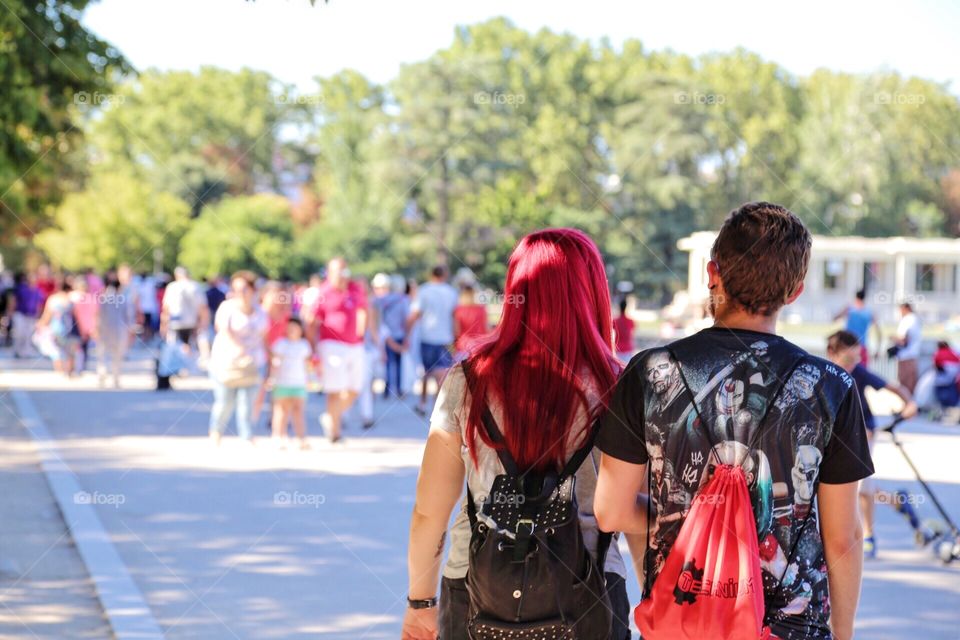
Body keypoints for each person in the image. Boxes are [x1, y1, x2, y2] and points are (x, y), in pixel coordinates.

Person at [594, 203, 874, 640]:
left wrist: (683, 519)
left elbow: (610, 512)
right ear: (795, 290)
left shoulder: (651, 372)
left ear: (712, 273)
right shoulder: (830, 386)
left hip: (683, 617)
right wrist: (843, 631)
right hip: (790, 627)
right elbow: (842, 538)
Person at [402, 229, 631, 640]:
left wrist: (420, 604)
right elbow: (636, 516)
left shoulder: (469, 380)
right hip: (590, 594)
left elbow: (429, 510)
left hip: (475, 592)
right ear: (593, 292)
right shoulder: (619, 385)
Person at [826, 330, 917, 559]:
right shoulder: (824, 373)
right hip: (836, 435)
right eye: (848, 359)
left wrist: (909, 403)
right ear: (832, 353)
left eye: (856, 359)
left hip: (863, 432)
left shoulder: (859, 373)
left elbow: (893, 387)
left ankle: (868, 535)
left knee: (860, 486)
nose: (852, 364)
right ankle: (898, 502)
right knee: (852, 486)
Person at [308, 257, 368, 443]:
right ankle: (335, 432)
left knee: (355, 388)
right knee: (335, 390)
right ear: (329, 272)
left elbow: (363, 310)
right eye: (337, 271)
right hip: (331, 344)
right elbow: (311, 321)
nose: (342, 275)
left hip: (354, 344)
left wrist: (361, 333)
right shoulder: (323, 292)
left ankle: (331, 417)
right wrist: (313, 348)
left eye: (344, 270)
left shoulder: (355, 288)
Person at [208, 271, 268, 446]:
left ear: (252, 289)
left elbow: (263, 336)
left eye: (244, 289)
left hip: (253, 363)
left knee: (247, 402)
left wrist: (269, 358)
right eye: (236, 289)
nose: (240, 293)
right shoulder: (227, 308)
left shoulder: (260, 311)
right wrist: (241, 349)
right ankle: (216, 431)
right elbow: (224, 330)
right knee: (225, 402)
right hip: (227, 362)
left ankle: (246, 435)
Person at [406, 265, 459, 416]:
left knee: (427, 372)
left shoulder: (424, 290)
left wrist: (407, 334)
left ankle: (422, 403)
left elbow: (415, 314)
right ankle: (437, 405)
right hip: (446, 338)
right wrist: (457, 336)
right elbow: (454, 316)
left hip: (427, 337)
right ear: (445, 275)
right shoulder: (451, 292)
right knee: (442, 374)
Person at [267, 317, 312, 449]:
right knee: (281, 411)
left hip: (299, 383)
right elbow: (274, 362)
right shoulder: (281, 344)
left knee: (298, 411)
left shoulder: (304, 345)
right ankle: (278, 436)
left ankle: (301, 438)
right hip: (282, 382)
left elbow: (308, 364)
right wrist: (271, 377)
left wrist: (311, 379)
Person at [371, 272, 410, 399]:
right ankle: (398, 390)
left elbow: (379, 318)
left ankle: (387, 390)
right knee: (398, 364)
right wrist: (407, 336)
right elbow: (406, 319)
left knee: (388, 363)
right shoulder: (403, 300)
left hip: (386, 335)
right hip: (399, 334)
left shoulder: (382, 300)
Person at [96, 272, 136, 388]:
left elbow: (99, 315)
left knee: (102, 353)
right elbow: (128, 316)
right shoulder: (123, 299)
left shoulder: (103, 298)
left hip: (105, 329)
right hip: (119, 330)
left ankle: (102, 371)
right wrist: (131, 328)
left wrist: (97, 328)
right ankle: (116, 378)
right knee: (117, 355)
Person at [37, 279, 81, 377]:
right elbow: (78, 315)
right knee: (70, 351)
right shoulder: (73, 299)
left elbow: (47, 315)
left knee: (57, 351)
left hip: (56, 328)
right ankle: (69, 370)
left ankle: (60, 371)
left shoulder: (53, 299)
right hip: (71, 328)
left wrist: (41, 324)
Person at [160, 266, 209, 353]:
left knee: (175, 348)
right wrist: (203, 323)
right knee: (191, 348)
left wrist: (163, 324)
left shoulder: (172, 287)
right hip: (192, 321)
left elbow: (166, 308)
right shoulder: (196, 286)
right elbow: (202, 307)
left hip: (176, 322)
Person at [833, 289, 881, 365]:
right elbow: (878, 332)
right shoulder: (869, 312)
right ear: (864, 298)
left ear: (856, 297)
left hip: (848, 347)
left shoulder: (849, 309)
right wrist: (878, 349)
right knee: (862, 374)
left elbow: (835, 318)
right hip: (861, 347)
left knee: (845, 373)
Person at [452, 282, 487, 361]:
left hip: (463, 348)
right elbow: (486, 329)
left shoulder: (458, 310)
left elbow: (456, 331)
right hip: (479, 347)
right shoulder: (482, 309)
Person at [11, 272, 42, 358]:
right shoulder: (21, 289)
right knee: (20, 333)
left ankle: (26, 351)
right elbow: (14, 300)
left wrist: (38, 315)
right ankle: (17, 350)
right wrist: (10, 311)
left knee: (28, 334)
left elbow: (39, 304)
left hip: (31, 315)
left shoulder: (38, 291)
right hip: (20, 314)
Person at [892, 302, 922, 393]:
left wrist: (892, 338)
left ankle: (907, 405)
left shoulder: (908, 319)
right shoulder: (915, 319)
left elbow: (903, 339)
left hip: (905, 356)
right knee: (911, 384)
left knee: (905, 385)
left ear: (905, 309)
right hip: (912, 356)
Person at [932, 340, 960, 408]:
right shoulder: (952, 351)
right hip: (953, 373)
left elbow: (935, 365)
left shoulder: (938, 353)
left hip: (945, 373)